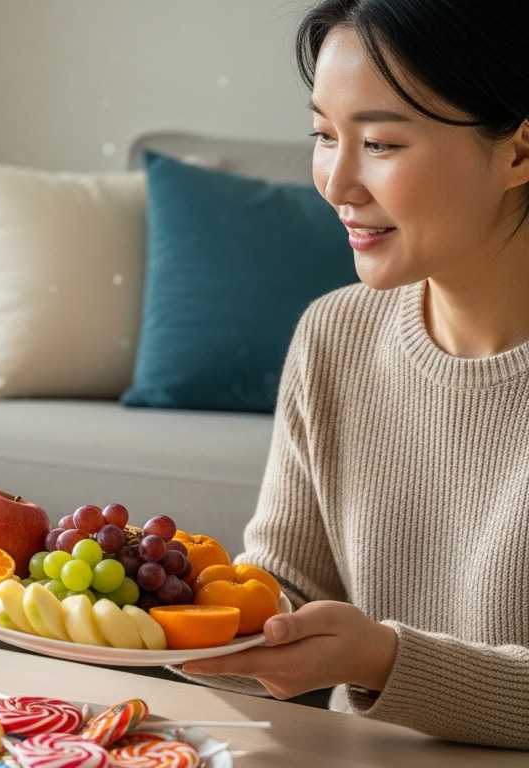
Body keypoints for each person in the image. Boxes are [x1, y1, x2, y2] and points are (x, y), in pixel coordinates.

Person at [179, 0, 529, 749]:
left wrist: (385, 659)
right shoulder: (334, 334)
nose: (337, 183)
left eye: (378, 143)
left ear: (520, 149)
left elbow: (362, 652)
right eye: (323, 136)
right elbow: (284, 595)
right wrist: (149, 603)